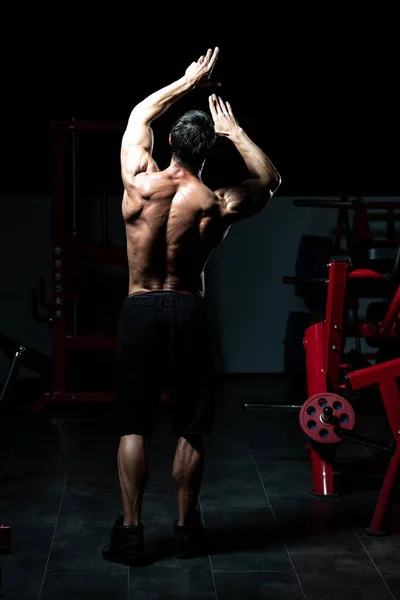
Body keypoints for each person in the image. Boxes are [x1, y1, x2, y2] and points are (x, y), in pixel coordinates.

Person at [102, 47, 281, 566]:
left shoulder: (138, 182)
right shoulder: (218, 203)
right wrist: (235, 132)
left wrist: (186, 81)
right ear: (207, 152)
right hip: (188, 309)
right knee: (190, 426)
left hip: (140, 308)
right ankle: (186, 531)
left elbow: (140, 114)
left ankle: (132, 533)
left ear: (171, 145)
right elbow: (270, 181)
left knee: (133, 426)